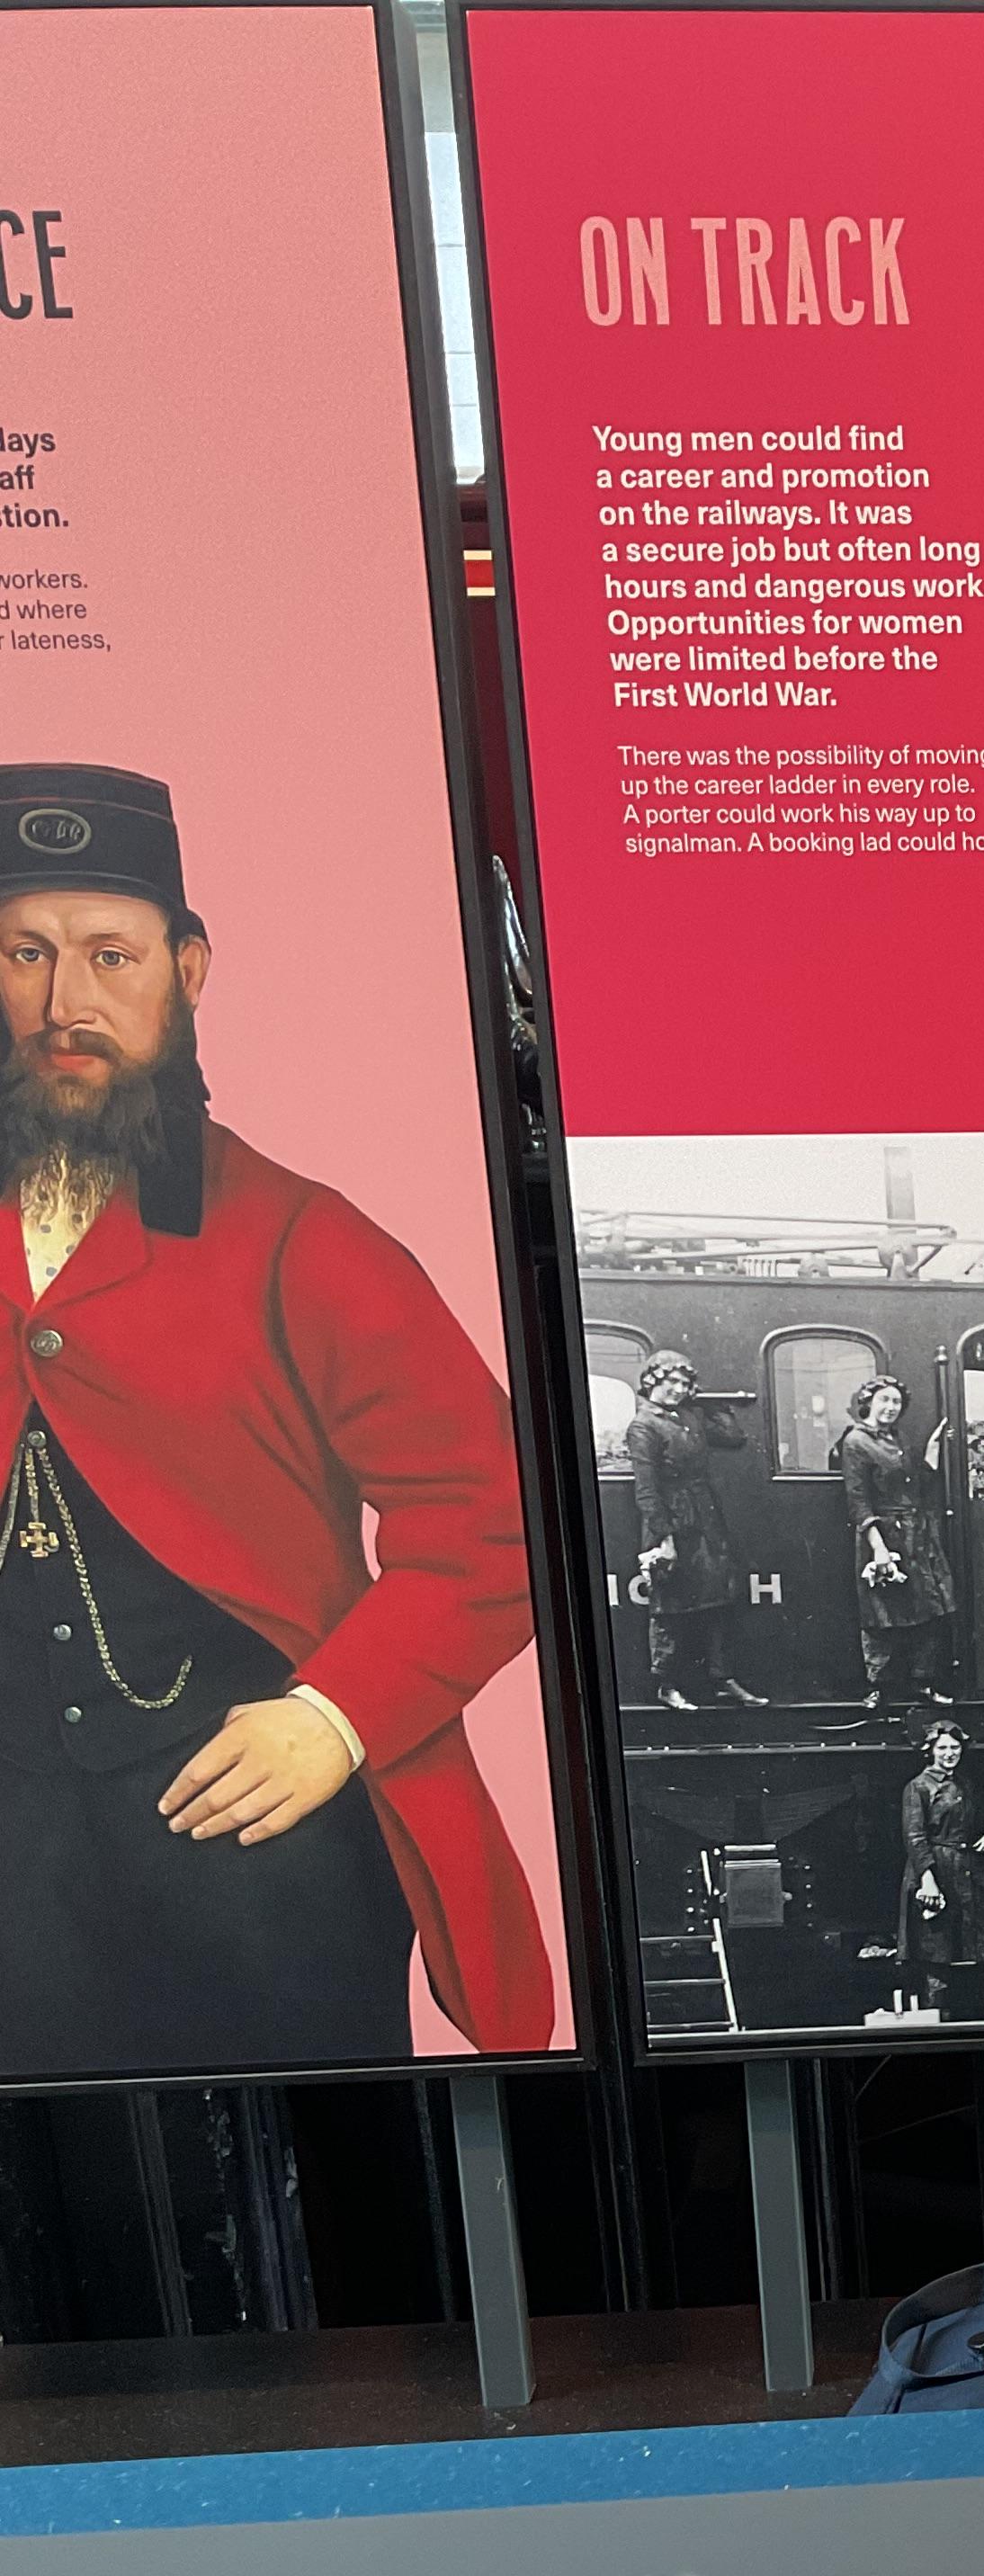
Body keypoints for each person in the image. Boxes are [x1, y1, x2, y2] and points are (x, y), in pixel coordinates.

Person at [0, 759, 552, 2074]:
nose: (65, 1003)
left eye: (110, 955)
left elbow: (497, 1522)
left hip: (264, 1850)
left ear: (186, 972)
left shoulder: (307, 1240)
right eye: (23, 954)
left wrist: (332, 1718)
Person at [626, 1349, 759, 1713]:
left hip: (705, 1517)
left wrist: (707, 1401)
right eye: (672, 1382)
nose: (679, 1390)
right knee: (669, 1605)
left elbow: (733, 1436)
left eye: (685, 1384)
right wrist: (665, 1540)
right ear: (652, 1380)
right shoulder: (643, 1425)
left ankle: (722, 1678)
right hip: (670, 1520)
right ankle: (666, 1685)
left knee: (718, 1599)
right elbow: (646, 1491)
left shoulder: (689, 1415)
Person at [836, 1373, 953, 1709]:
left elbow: (915, 1485)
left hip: (916, 1534)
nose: (891, 1407)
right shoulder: (856, 1442)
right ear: (868, 1402)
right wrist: (879, 1548)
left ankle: (922, 1683)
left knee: (927, 1609)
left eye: (896, 1402)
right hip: (883, 1536)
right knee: (881, 1615)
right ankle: (877, 1688)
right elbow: (858, 1501)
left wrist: (931, 1454)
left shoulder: (899, 1438)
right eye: (884, 1400)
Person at [898, 1718, 984, 2017]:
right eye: (943, 1748)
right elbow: (914, 1836)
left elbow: (981, 1817)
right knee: (936, 1946)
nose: (949, 1753)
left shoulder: (965, 1783)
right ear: (931, 1751)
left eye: (955, 1747)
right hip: (937, 1870)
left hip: (970, 1869)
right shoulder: (918, 1787)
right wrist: (928, 1879)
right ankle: (937, 2014)